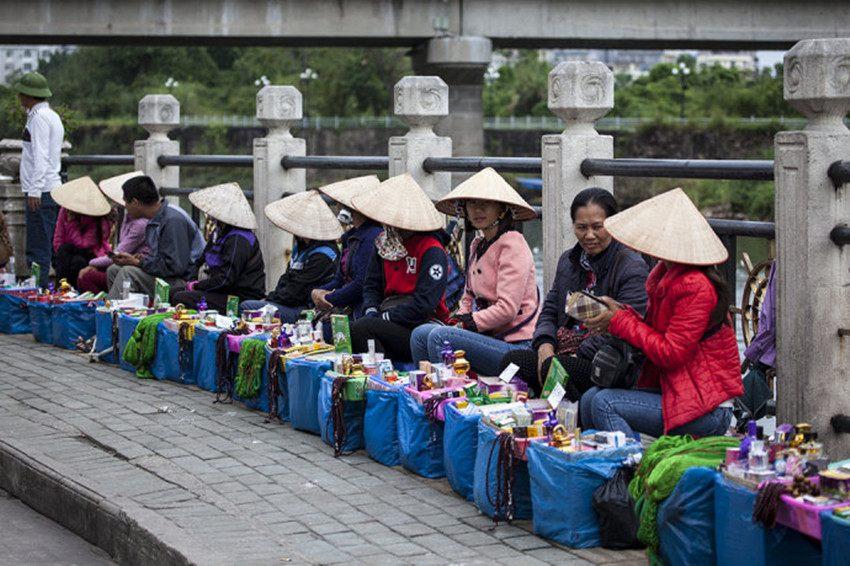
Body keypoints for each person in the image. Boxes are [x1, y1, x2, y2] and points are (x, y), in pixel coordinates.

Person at [582, 188, 744, 438]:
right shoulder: (664, 275)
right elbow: (655, 335)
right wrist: (618, 314)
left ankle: (634, 471)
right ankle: (608, 472)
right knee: (589, 398)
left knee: (605, 403)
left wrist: (621, 321)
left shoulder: (695, 287)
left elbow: (671, 353)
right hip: (678, 391)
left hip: (706, 408)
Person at [501, 188, 649, 398]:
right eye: (581, 227)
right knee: (513, 362)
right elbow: (550, 310)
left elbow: (630, 327)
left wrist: (574, 353)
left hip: (606, 360)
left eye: (598, 227)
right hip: (562, 350)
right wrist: (545, 345)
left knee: (558, 368)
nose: (589, 235)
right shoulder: (568, 261)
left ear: (613, 224)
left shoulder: (631, 266)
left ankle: (568, 421)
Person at [410, 168, 540, 375]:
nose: (477, 210)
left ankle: (446, 396)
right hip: (486, 336)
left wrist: (466, 325)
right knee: (420, 333)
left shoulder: (512, 243)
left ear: (502, 209)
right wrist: (459, 318)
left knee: (439, 337)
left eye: (486, 204)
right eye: (472, 203)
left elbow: (507, 309)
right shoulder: (478, 244)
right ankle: (426, 395)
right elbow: (468, 297)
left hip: (516, 345)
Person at [349, 173, 450, 363]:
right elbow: (371, 284)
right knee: (351, 329)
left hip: (420, 324)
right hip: (386, 314)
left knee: (361, 329)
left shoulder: (431, 250)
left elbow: (425, 304)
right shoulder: (383, 244)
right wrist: (371, 309)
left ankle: (383, 377)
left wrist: (385, 317)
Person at [240, 190, 340, 322]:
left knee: (247, 307)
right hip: (290, 302)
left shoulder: (324, 254)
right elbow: (287, 279)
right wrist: (272, 298)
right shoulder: (302, 247)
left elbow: (296, 292)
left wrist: (270, 299)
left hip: (306, 310)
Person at [171, 182, 265, 312]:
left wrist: (198, 286)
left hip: (238, 296)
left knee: (181, 297)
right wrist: (191, 281)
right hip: (220, 290)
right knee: (174, 291)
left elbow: (226, 279)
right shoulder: (219, 232)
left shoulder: (238, 239)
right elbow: (200, 260)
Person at [106, 175, 204, 300]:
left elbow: (175, 267)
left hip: (183, 282)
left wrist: (138, 263)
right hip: (169, 276)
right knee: (114, 269)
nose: (125, 206)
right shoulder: (155, 218)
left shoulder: (172, 220)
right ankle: (130, 312)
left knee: (127, 273)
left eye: (126, 201)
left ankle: (111, 316)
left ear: (135, 202)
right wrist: (141, 259)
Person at [311, 175, 383, 328]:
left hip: (361, 309)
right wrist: (318, 292)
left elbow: (360, 284)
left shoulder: (372, 236)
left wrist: (329, 297)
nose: (338, 205)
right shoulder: (350, 237)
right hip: (348, 304)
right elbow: (340, 279)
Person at [14, 72, 64, 288]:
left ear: (28, 96)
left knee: (39, 248)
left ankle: (39, 292)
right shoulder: (49, 115)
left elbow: (40, 156)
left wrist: (34, 189)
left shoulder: (40, 119)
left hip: (42, 191)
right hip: (48, 188)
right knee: (49, 245)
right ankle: (50, 290)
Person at [78, 171, 151, 293]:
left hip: (134, 265)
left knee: (87, 277)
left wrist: (92, 263)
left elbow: (119, 252)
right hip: (123, 261)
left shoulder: (140, 224)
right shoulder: (128, 217)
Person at [50, 176, 114, 289]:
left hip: (91, 254)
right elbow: (58, 238)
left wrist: (72, 223)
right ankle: (62, 288)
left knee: (77, 262)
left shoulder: (96, 217)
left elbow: (83, 244)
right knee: (64, 250)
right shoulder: (65, 210)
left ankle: (73, 289)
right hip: (67, 253)